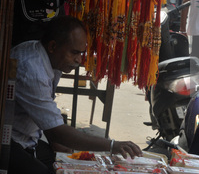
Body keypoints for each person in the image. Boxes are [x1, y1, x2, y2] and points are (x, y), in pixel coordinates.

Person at [9, 16, 143, 173]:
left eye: (81, 53)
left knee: (60, 163)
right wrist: (112, 145)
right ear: (53, 46)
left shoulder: (49, 58)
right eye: (74, 53)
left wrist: (56, 140)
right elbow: (56, 131)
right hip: (10, 141)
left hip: (28, 138)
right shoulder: (31, 69)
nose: (79, 60)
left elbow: (46, 115)